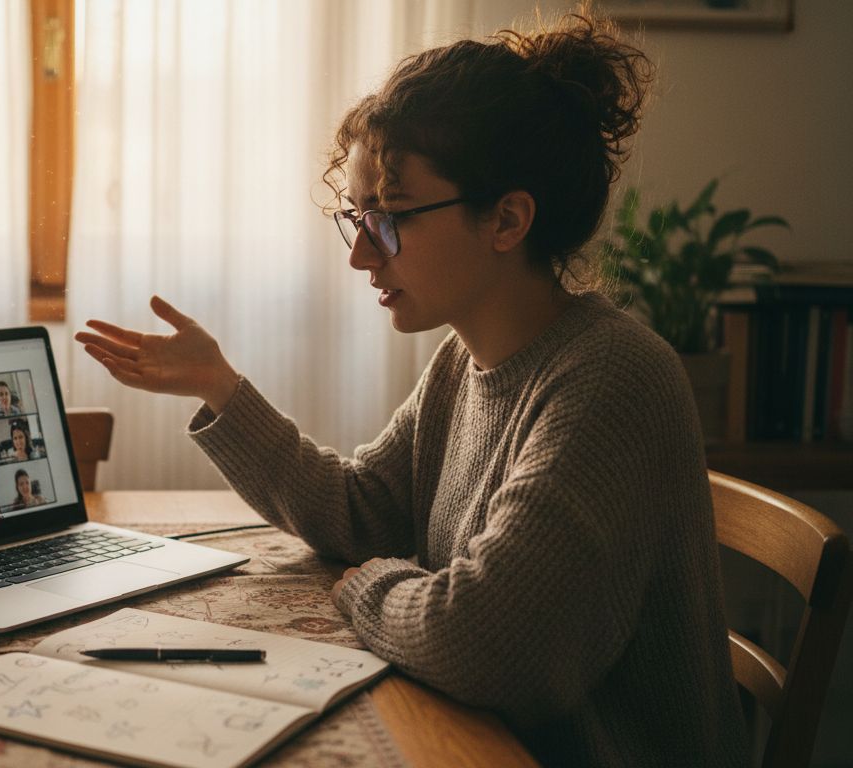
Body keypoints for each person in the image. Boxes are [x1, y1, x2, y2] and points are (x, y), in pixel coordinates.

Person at [73, 12, 746, 766]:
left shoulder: (614, 380)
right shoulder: (466, 361)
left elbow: (488, 645)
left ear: (508, 219)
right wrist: (221, 388)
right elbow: (363, 512)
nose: (361, 255)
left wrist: (371, 587)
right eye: (356, 218)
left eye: (388, 220)